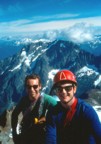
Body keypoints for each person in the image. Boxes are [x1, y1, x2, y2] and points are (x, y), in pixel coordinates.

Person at [46, 69, 101, 144]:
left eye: (68, 88)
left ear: (74, 89)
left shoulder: (87, 111)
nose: (63, 92)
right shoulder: (52, 112)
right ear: (56, 91)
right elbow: (51, 139)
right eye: (59, 89)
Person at [11, 73, 57, 144]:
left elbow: (61, 111)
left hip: (42, 137)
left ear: (40, 86)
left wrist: (47, 118)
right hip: (26, 136)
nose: (32, 89)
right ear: (26, 88)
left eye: (35, 86)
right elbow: (14, 114)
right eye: (29, 87)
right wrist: (14, 134)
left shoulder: (47, 100)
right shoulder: (24, 100)